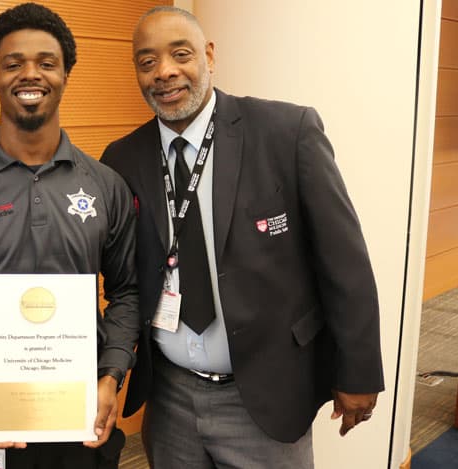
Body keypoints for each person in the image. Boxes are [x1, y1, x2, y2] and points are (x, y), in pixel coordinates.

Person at [100, 7, 384, 469]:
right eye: (147, 62)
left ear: (209, 56)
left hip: (265, 396)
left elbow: (344, 260)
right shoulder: (121, 159)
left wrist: (359, 370)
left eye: (180, 54)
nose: (164, 72)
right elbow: (122, 276)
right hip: (170, 399)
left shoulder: (286, 132)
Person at [0, 3, 139, 469]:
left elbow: (127, 291)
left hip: (82, 416)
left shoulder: (104, 185)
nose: (30, 74)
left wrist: (110, 376)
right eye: (13, 64)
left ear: (66, 74)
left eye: (46, 63)